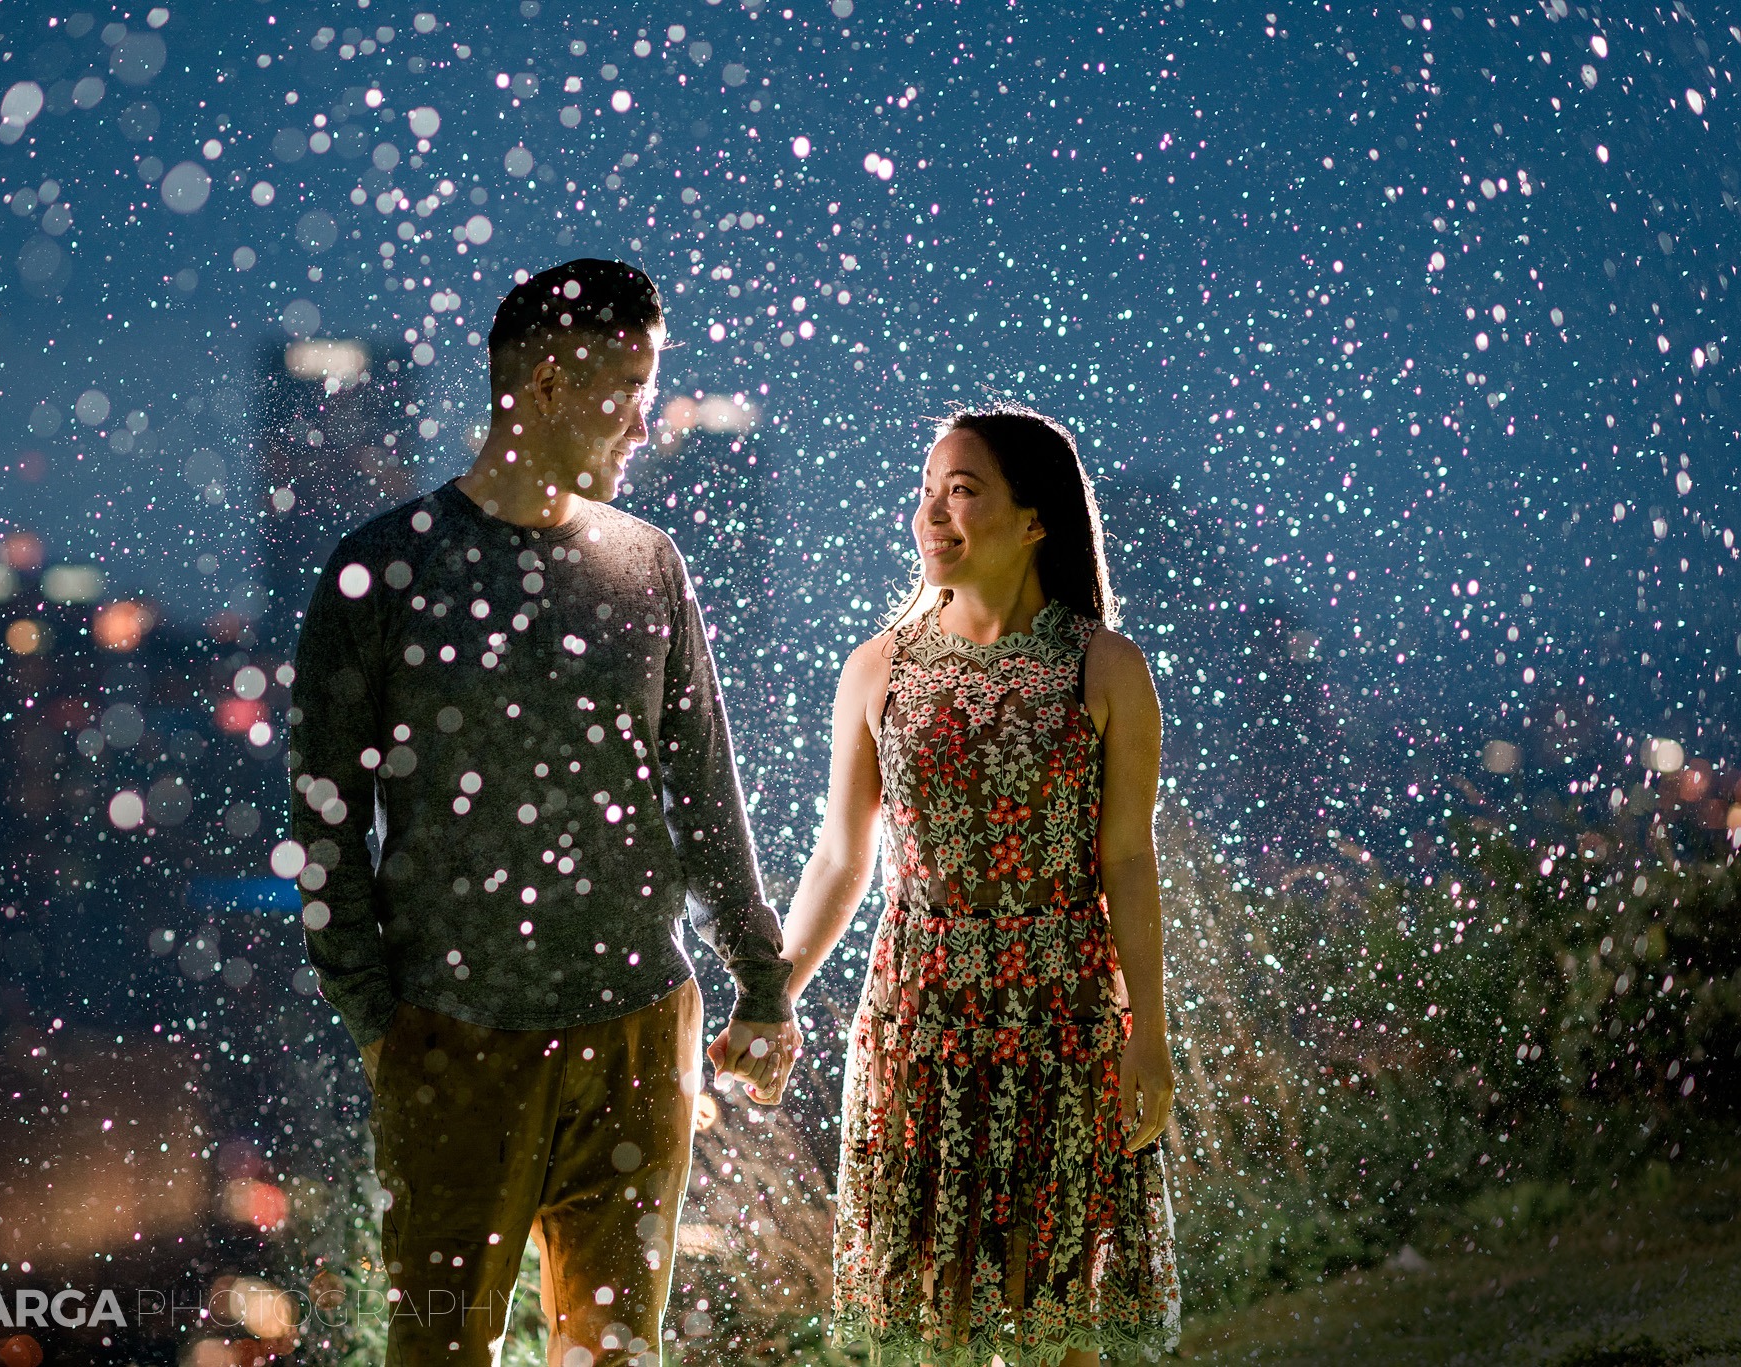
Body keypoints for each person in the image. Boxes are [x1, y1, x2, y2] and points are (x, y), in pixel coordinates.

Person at [288, 259, 802, 1367]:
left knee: (616, 1354)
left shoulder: (646, 564)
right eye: (629, 383)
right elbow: (325, 821)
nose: (644, 419)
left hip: (635, 1031)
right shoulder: (381, 570)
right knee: (437, 1350)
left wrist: (760, 981)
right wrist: (381, 1021)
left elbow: (704, 790)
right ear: (550, 382)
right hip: (451, 1039)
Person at [776, 405, 1181, 1364]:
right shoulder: (877, 669)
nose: (934, 516)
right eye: (927, 495)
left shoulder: (1107, 666)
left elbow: (1128, 858)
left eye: (964, 492)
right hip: (922, 1020)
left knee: (1062, 1317)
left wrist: (1151, 1034)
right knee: (931, 1315)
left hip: (1066, 1015)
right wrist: (775, 991)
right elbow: (842, 857)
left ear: (1036, 519)